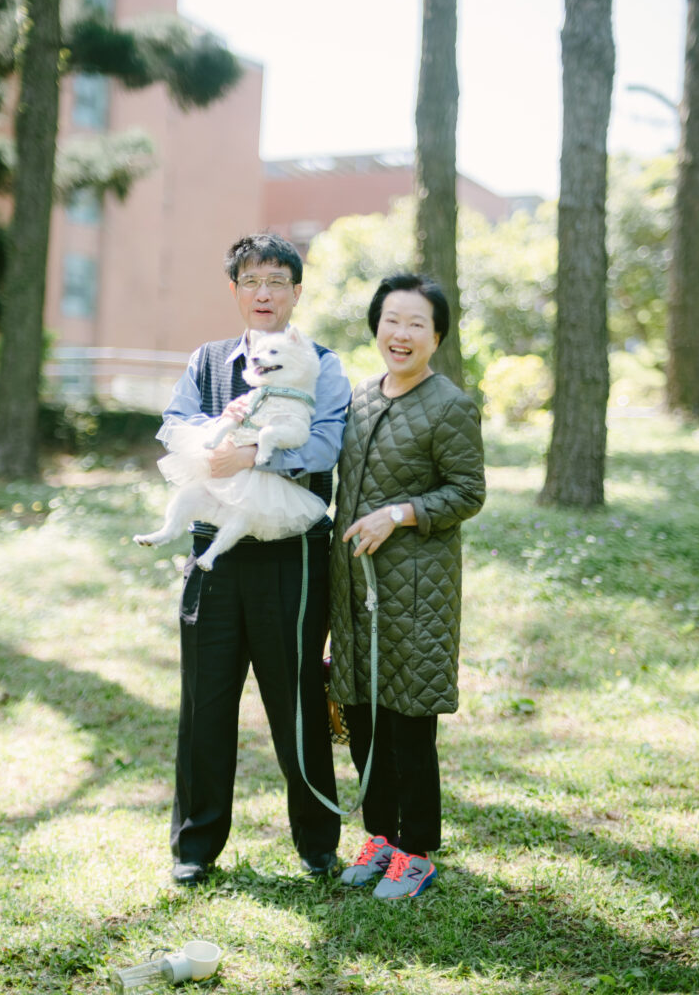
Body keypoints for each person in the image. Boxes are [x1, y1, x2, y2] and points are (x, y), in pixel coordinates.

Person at [159, 233, 351, 886]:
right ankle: (195, 846)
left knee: (297, 700)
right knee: (204, 703)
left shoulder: (322, 363)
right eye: (251, 281)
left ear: (296, 291)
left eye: (276, 282)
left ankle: (318, 843)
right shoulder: (208, 361)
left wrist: (254, 454)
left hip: (291, 556)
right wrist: (212, 443)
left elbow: (325, 445)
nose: (263, 293)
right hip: (213, 553)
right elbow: (175, 422)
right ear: (235, 290)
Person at [328, 272, 486, 900]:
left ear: (436, 337)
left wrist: (398, 514)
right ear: (377, 327)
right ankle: (380, 839)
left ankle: (416, 851)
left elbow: (467, 492)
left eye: (417, 323)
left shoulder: (450, 405)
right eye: (391, 320)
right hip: (355, 591)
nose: (401, 333)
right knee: (363, 717)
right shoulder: (361, 398)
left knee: (409, 722)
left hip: (418, 595)